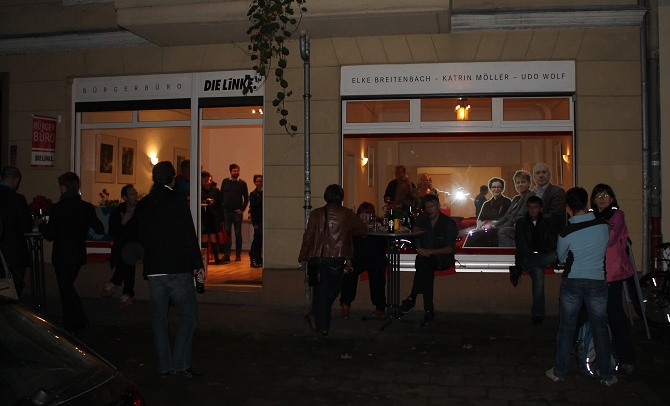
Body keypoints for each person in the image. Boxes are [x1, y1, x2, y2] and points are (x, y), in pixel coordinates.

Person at [136, 161, 205, 378]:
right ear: (173, 178)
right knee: (188, 317)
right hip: (177, 267)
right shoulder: (177, 200)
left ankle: (164, 366)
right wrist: (197, 263)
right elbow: (188, 233)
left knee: (159, 319)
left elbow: (140, 236)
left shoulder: (144, 203)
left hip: (154, 269)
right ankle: (180, 363)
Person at [546, 187, 616, 386]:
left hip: (573, 280)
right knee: (600, 327)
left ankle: (559, 372)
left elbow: (561, 257)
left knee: (566, 327)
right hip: (597, 280)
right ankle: (607, 375)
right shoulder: (603, 226)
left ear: (569, 208)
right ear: (587, 203)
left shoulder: (566, 231)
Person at [37, 172, 104, 335]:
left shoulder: (58, 208)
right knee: (67, 287)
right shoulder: (86, 207)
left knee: (65, 289)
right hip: (77, 253)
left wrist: (40, 225)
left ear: (63, 187)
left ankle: (71, 325)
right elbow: (99, 229)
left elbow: (50, 235)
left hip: (61, 254)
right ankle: (80, 320)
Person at [299, 184, 367, 336]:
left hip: (319, 257)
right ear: (341, 197)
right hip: (337, 257)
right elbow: (362, 229)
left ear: (326, 196)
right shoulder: (347, 214)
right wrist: (347, 232)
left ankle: (318, 319)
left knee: (323, 292)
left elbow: (308, 236)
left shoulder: (316, 213)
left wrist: (303, 256)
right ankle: (322, 326)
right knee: (333, 289)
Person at [590, 184, 636, 374]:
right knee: (591, 314)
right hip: (594, 272)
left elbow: (608, 238)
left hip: (612, 273)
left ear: (612, 198)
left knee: (615, 314)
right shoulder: (592, 216)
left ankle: (627, 358)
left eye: (606, 195)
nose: (602, 199)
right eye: (598, 196)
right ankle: (592, 353)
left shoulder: (617, 215)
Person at [399, 194, 458, 324]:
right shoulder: (423, 222)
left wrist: (428, 252)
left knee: (423, 264)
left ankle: (412, 297)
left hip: (442, 258)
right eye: (427, 207)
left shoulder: (448, 223)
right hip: (425, 258)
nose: (430, 210)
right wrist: (420, 248)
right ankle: (428, 310)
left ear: (438, 206)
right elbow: (417, 239)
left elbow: (449, 248)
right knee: (426, 269)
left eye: (432, 206)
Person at [510, 196, 558, 325]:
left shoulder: (547, 223)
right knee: (551, 258)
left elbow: (552, 242)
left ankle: (537, 314)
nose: (532, 210)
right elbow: (521, 246)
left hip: (540, 258)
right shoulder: (521, 223)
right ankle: (537, 314)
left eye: (535, 207)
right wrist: (537, 258)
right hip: (527, 258)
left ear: (541, 208)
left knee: (541, 270)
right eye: (530, 207)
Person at [339, 202, 388, 319]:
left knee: (377, 274)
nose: (364, 216)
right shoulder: (353, 225)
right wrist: (348, 261)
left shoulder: (378, 223)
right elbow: (347, 244)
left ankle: (380, 307)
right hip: (358, 258)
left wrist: (380, 231)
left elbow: (384, 244)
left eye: (367, 213)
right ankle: (345, 305)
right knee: (349, 275)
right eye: (362, 213)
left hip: (374, 257)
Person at [100, 184, 139, 308]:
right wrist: (123, 223)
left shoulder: (141, 211)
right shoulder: (118, 212)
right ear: (125, 197)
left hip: (138, 246)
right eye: (132, 194)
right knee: (127, 254)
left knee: (128, 251)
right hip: (124, 248)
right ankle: (127, 294)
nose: (135, 196)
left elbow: (141, 233)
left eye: (135, 193)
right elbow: (113, 233)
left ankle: (115, 281)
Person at [0, 166, 32, 299]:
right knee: (14, 287)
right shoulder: (17, 199)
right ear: (16, 181)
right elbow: (26, 226)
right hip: (14, 251)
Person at [497, 170, 535, 247]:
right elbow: (505, 217)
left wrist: (498, 228)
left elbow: (517, 219)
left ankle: (507, 254)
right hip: (510, 226)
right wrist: (494, 225)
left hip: (523, 229)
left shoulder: (530, 196)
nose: (520, 185)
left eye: (523, 182)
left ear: (529, 183)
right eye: (518, 182)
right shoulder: (516, 198)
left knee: (502, 231)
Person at [220, 164, 249, 262]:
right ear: (230, 172)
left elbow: (246, 198)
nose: (236, 173)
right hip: (226, 211)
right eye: (234, 171)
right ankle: (226, 254)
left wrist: (242, 209)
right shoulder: (225, 181)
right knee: (227, 233)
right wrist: (222, 208)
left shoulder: (242, 183)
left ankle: (238, 254)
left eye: (237, 171)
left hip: (237, 212)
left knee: (238, 233)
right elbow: (221, 195)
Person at [201, 171, 222, 264]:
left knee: (214, 236)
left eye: (209, 180)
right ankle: (205, 259)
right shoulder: (200, 191)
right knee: (204, 236)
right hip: (204, 216)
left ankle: (216, 258)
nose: (208, 182)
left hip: (213, 216)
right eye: (205, 181)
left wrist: (221, 219)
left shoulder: (215, 191)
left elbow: (220, 205)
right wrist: (206, 201)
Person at [249, 174, 263, 268]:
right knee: (257, 239)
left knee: (260, 240)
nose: (259, 183)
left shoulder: (264, 193)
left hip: (263, 219)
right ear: (254, 182)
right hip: (257, 220)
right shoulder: (253, 194)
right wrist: (254, 223)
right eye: (257, 181)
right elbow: (253, 210)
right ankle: (253, 257)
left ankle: (258, 258)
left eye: (260, 181)